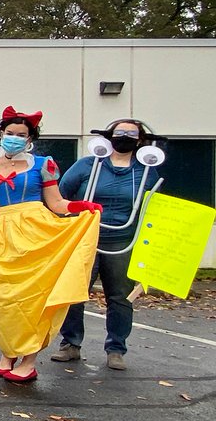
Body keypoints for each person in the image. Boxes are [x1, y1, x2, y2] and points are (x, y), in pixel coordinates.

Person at [0, 106, 101, 383]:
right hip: (3, 234)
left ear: (30, 138)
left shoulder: (42, 164)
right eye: (9, 133)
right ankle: (8, 352)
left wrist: (83, 206)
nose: (14, 137)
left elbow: (57, 204)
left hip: (38, 233)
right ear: (1, 133)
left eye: (21, 134)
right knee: (3, 298)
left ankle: (28, 358)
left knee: (34, 298)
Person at [53, 119, 162, 371]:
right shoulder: (87, 166)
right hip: (85, 238)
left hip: (123, 241)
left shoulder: (144, 171)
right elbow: (60, 196)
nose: (123, 137)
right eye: (119, 132)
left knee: (120, 297)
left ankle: (116, 348)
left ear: (140, 141)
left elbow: (155, 209)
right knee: (74, 292)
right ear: (108, 136)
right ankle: (70, 344)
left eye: (130, 134)